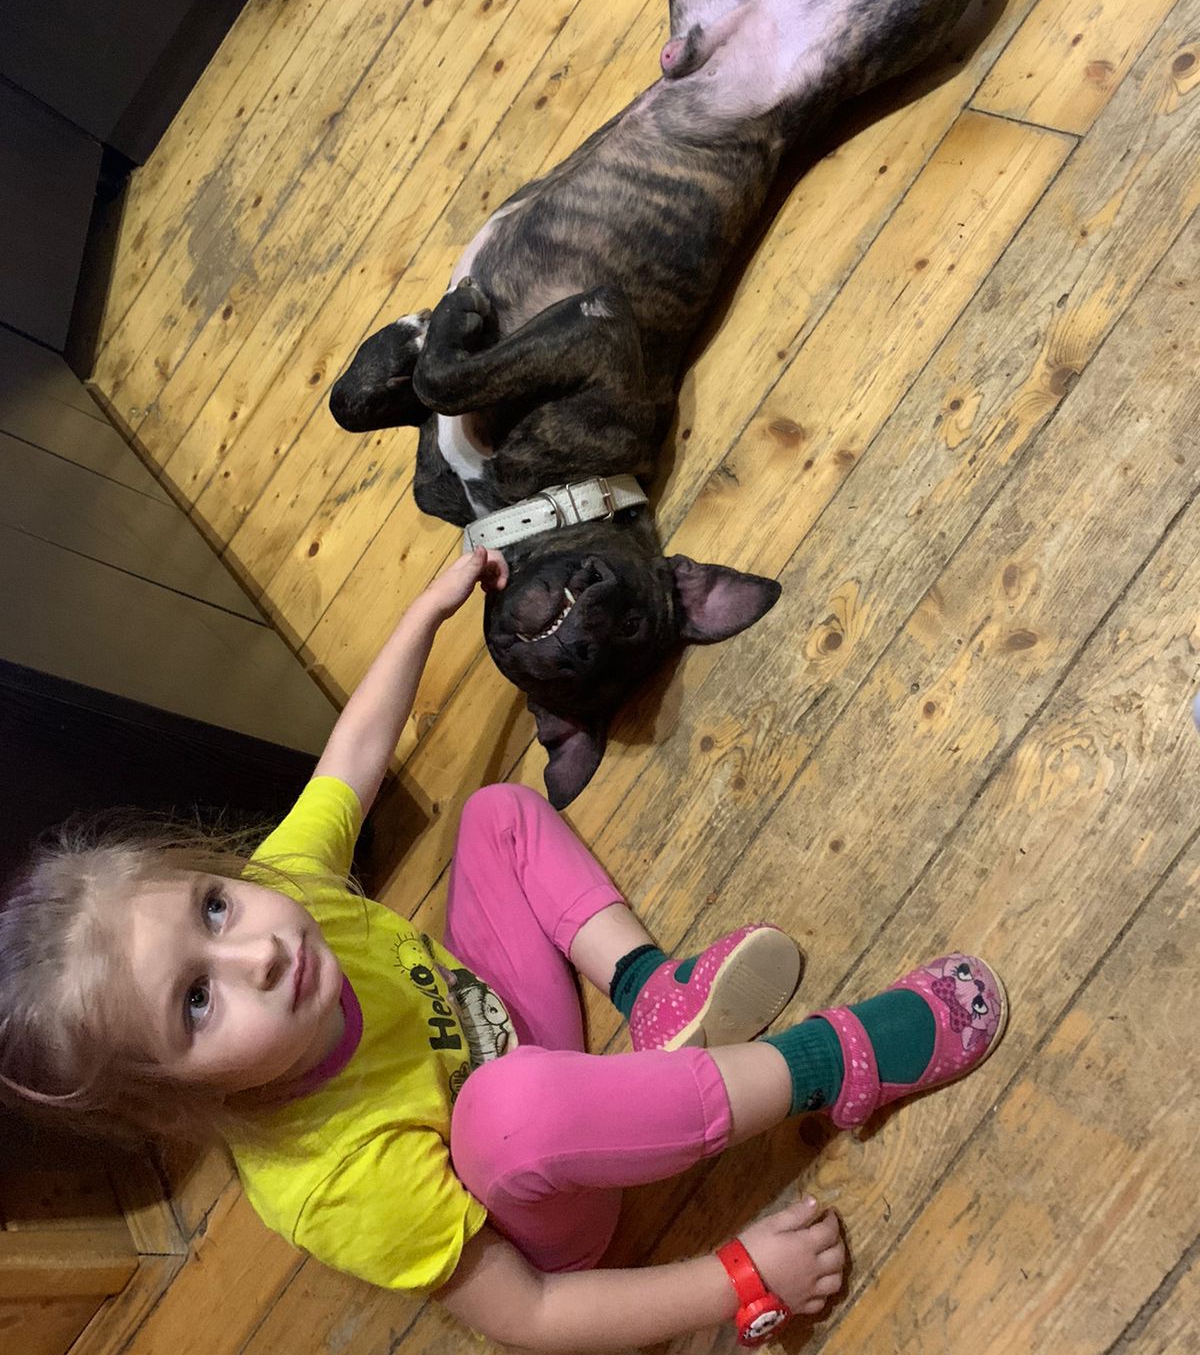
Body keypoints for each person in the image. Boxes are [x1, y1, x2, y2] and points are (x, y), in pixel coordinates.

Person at [0, 547, 1006, 1350]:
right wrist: (736, 1278)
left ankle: (649, 986)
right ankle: (835, 1063)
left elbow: (354, 754)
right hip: (548, 1192)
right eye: (195, 1001)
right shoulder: (329, 1184)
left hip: (518, 1043)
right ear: (177, 1101)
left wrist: (426, 613)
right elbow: (529, 1312)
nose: (255, 953)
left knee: (495, 817)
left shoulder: (286, 893)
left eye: (214, 909)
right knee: (508, 1107)